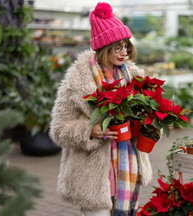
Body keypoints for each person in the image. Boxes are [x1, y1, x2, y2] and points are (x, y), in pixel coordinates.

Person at [49, 2, 153, 216]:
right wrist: (90, 131)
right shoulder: (77, 78)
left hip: (127, 169)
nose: (124, 52)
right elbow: (58, 129)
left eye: (127, 46)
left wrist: (149, 124)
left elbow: (151, 115)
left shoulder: (134, 76)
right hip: (92, 176)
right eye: (119, 47)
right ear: (105, 47)